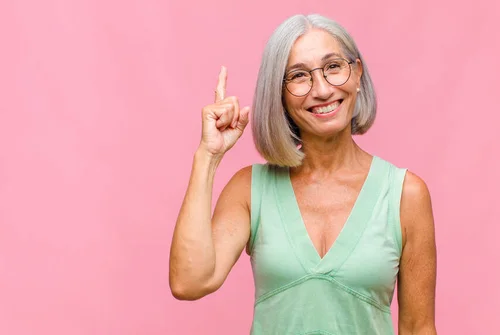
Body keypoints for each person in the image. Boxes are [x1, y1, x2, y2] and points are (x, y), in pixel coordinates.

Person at [169, 13, 437, 335]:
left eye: (334, 67)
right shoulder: (250, 189)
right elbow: (189, 281)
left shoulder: (405, 194)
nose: (322, 90)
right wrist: (208, 156)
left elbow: (418, 328)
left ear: (357, 74)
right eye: (299, 75)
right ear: (279, 95)